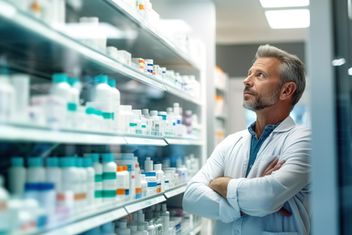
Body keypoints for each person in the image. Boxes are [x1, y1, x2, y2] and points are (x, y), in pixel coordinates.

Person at [183, 44, 310, 235]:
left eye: (260, 75)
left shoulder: (304, 140)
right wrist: (246, 200)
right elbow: (191, 198)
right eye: (249, 73)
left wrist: (219, 183)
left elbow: (266, 197)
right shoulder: (231, 142)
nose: (246, 81)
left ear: (286, 91)